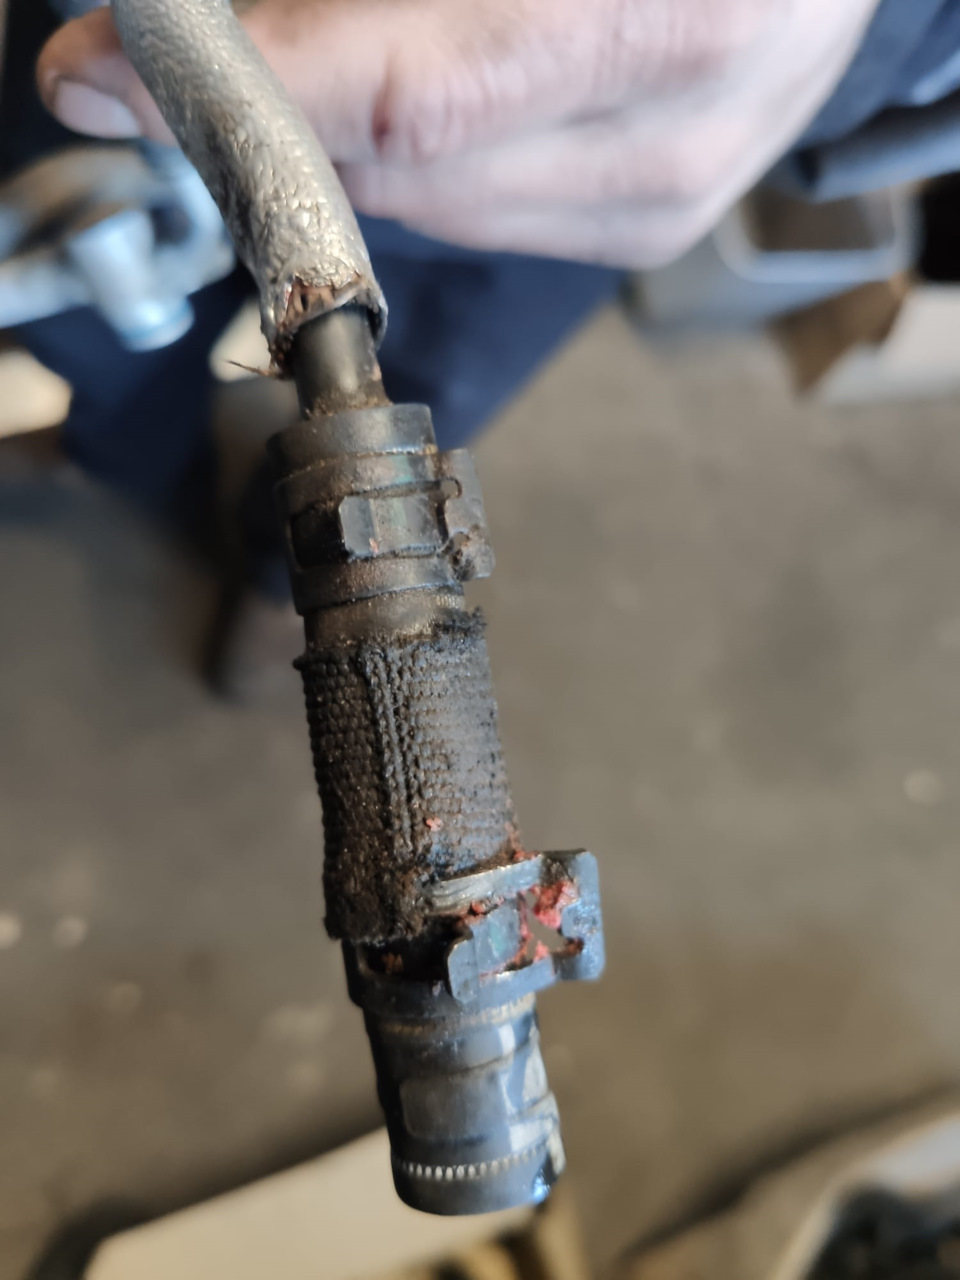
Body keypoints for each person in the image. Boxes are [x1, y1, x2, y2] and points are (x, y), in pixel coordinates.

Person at [13, 0, 960, 691]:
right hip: (112, 45)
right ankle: (124, 460)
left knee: (422, 399)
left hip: (573, 85)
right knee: (96, 330)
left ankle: (290, 583)